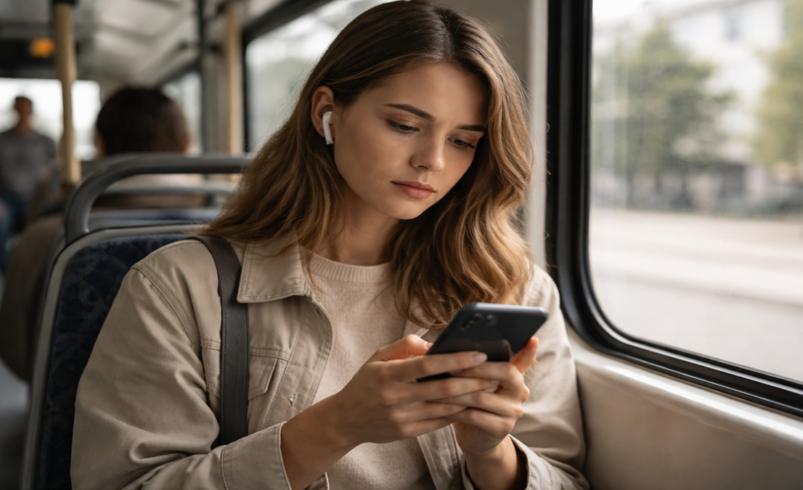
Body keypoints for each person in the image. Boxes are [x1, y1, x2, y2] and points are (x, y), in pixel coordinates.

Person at [71, 3, 588, 490]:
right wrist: (335, 427)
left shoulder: (511, 286)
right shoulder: (178, 287)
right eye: (405, 125)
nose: (432, 159)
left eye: (463, 141)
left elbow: (564, 475)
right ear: (327, 113)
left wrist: (491, 455)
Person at [0, 87, 202, 382]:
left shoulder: (49, 238)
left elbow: (19, 352)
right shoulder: (230, 226)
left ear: (100, 146)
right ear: (186, 146)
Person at [0, 96, 56, 271]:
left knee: (41, 236)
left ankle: (28, 272)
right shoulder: (2, 139)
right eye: (19, 109)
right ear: (14, 110)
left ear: (32, 111)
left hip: (34, 197)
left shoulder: (45, 141)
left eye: (26, 109)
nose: (23, 114)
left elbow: (57, 169)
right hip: (5, 197)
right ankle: (7, 274)